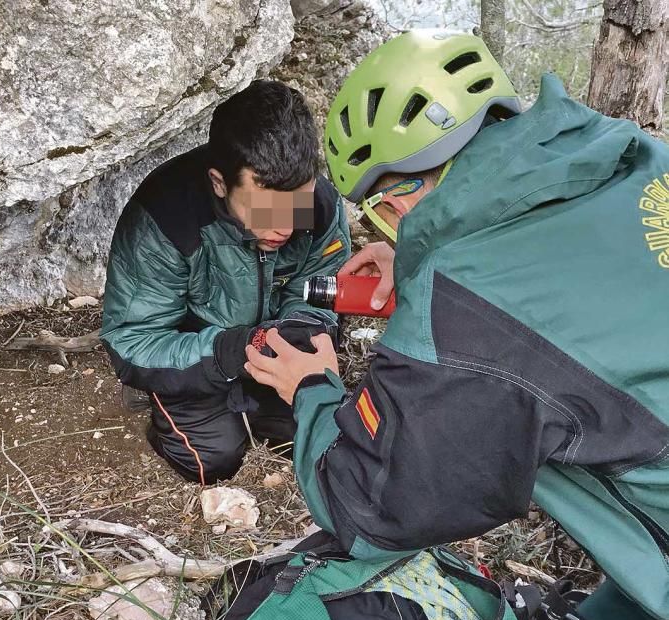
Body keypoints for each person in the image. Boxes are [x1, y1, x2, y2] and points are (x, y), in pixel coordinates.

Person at [244, 30, 669, 560]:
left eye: (380, 205)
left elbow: (369, 510)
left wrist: (310, 387)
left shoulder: (469, 313)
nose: (385, 222)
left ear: (398, 197)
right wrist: (422, 260)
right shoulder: (625, 151)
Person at [101, 80, 351, 485]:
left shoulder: (316, 204)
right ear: (220, 183)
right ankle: (166, 400)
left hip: (271, 343)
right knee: (213, 458)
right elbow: (132, 340)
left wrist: (302, 331)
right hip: (198, 354)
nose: (284, 227)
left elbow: (317, 287)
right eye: (265, 211)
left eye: (295, 208)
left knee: (327, 431)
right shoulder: (168, 219)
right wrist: (231, 352)